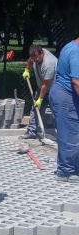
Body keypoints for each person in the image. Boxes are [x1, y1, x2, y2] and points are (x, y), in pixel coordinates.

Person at [49, 37, 79, 183]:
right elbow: (76, 81)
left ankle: (74, 168)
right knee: (70, 134)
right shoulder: (76, 52)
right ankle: (65, 171)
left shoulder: (71, 47)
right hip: (66, 97)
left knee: (73, 132)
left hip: (66, 95)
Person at [19, 44, 58, 139]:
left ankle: (62, 135)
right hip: (42, 87)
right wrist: (27, 69)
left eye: (36, 59)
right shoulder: (35, 55)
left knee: (57, 112)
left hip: (54, 89)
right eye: (34, 59)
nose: (35, 61)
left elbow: (46, 85)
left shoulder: (49, 64)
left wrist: (40, 100)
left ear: (42, 53)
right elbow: (30, 60)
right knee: (35, 110)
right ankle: (32, 131)